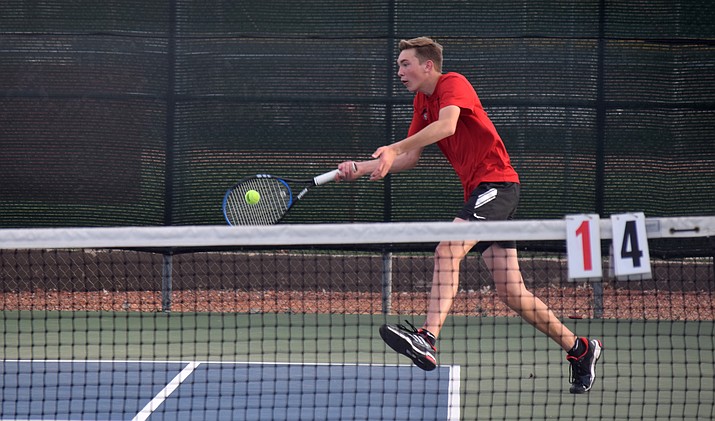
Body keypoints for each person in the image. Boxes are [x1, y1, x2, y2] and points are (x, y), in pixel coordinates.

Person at [336, 37, 602, 394]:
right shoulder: (421, 101)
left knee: (447, 250)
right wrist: (364, 166)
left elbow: (446, 127)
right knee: (511, 291)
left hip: (497, 184)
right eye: (399, 65)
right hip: (483, 192)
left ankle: (427, 337)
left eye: (405, 64)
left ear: (427, 65)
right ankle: (580, 349)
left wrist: (393, 148)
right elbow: (409, 157)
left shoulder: (452, 83)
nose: (398, 71)